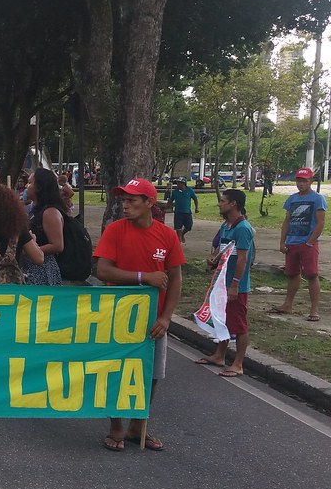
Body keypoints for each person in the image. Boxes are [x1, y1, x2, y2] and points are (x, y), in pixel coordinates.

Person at [94, 178, 184, 452]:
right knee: (116, 371)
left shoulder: (167, 236)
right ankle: (116, 426)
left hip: (153, 321)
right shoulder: (114, 230)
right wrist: (144, 277)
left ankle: (137, 426)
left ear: (149, 203)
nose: (125, 205)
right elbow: (104, 271)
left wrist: (166, 318)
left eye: (132, 200)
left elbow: (176, 278)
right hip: (117, 316)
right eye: (123, 200)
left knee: (151, 374)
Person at [195, 189, 255, 377]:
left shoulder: (243, 228)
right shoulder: (226, 226)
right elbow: (225, 252)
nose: (219, 204)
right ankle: (219, 355)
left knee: (239, 323)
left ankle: (238, 363)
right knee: (223, 320)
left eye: (223, 201)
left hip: (235, 285)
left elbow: (243, 259)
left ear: (233, 204)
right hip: (222, 283)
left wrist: (235, 284)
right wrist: (214, 262)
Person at [271, 167, 326, 321]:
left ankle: (314, 310)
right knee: (292, 274)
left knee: (312, 274)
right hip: (292, 242)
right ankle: (287, 304)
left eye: (304, 181)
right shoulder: (292, 199)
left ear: (311, 181)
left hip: (307, 243)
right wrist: (282, 241)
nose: (301, 184)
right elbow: (287, 221)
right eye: (299, 181)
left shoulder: (317, 199)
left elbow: (320, 222)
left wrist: (310, 242)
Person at [25, 168, 65, 286]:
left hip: (44, 269)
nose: (27, 186)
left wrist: (32, 251)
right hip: (33, 267)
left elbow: (57, 245)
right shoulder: (35, 210)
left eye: (30, 182)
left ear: (39, 187)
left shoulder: (50, 212)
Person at [166, 178, 198, 244]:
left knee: (189, 226)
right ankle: (179, 240)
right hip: (178, 212)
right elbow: (171, 200)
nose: (178, 185)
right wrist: (167, 207)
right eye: (177, 183)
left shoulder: (189, 190)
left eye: (179, 183)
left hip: (187, 212)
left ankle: (182, 234)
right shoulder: (175, 191)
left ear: (183, 184)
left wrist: (196, 208)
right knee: (178, 227)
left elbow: (195, 199)